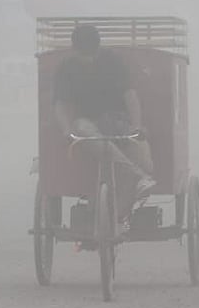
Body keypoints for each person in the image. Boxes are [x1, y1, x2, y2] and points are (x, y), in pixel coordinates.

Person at [53, 24, 156, 208]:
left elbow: (130, 95)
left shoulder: (113, 61)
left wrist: (137, 125)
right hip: (87, 123)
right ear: (74, 50)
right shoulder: (66, 68)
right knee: (81, 128)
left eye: (92, 54)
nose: (89, 59)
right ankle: (137, 176)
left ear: (98, 48)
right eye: (84, 55)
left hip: (118, 121)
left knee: (145, 161)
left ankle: (122, 214)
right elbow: (60, 103)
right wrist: (66, 130)